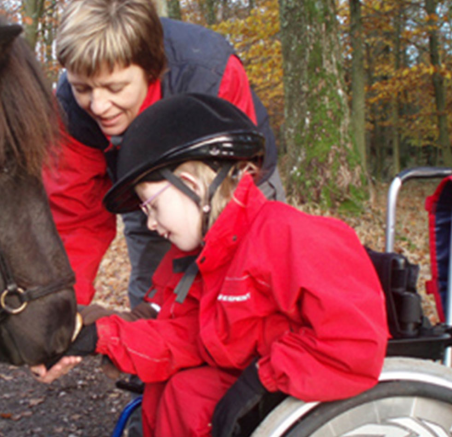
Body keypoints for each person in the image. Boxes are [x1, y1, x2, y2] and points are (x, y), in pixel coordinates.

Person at [32, 94, 388, 436]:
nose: (151, 224)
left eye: (152, 206)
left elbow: (353, 344)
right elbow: (185, 336)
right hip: (226, 389)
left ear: (188, 185)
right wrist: (95, 337)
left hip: (290, 393)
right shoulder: (202, 256)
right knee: (174, 389)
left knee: (191, 397)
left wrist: (262, 378)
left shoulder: (292, 237)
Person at [43, 0, 285, 308]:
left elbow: (236, 193)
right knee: (153, 299)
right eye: (83, 89)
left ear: (151, 69)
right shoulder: (69, 110)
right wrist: (62, 315)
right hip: (145, 192)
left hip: (233, 184)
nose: (98, 106)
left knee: (254, 288)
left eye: (114, 88)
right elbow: (75, 220)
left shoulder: (209, 73)